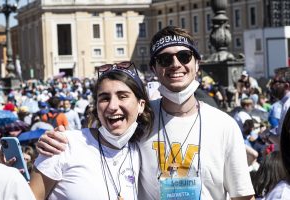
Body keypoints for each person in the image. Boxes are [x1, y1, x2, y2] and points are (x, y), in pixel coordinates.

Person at [36, 26, 254, 199]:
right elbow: (98, 138)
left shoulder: (224, 125)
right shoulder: (140, 119)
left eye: (184, 56)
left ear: (198, 64)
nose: (175, 64)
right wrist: (54, 141)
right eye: (165, 59)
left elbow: (242, 196)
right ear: (154, 69)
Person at [30, 61, 154, 200]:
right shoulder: (63, 144)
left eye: (122, 96)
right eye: (105, 98)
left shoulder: (141, 150)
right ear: (96, 106)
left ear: (141, 105)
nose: (113, 106)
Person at [0, 130, 36, 200]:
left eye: (27, 159)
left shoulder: (33, 174)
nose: (24, 162)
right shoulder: (11, 174)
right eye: (22, 158)